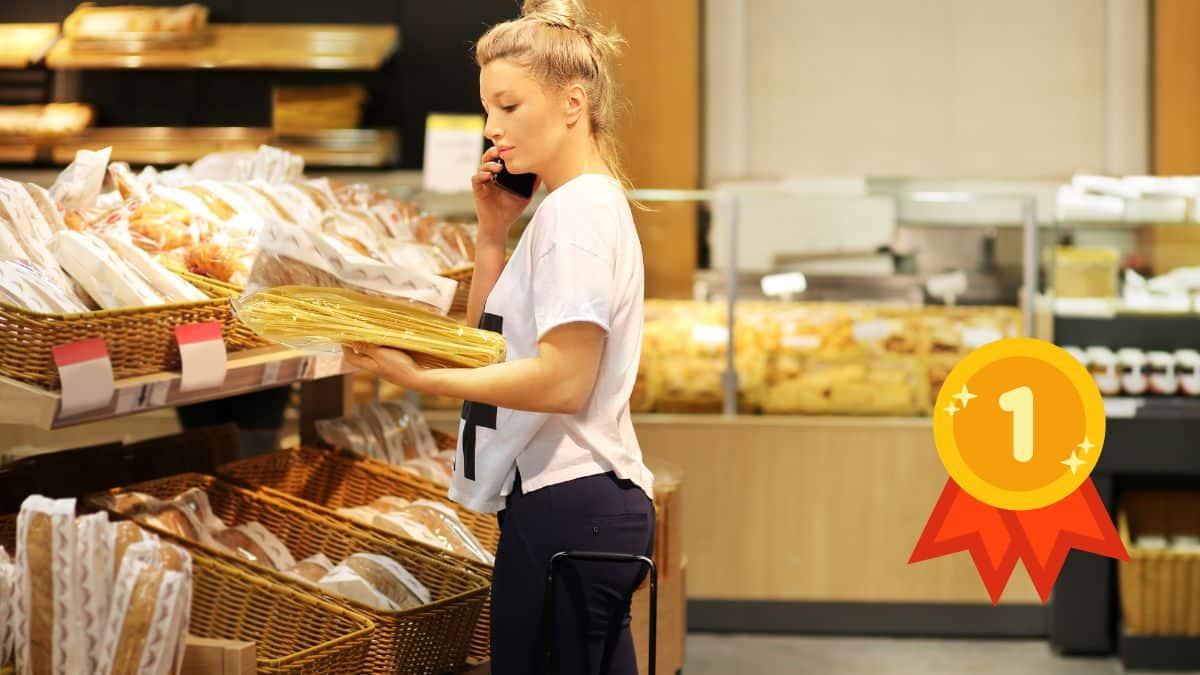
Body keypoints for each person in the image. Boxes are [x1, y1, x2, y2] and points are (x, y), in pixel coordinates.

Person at [341, 1, 654, 672]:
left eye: (509, 107)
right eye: (488, 110)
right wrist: (492, 235)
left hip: (572, 503)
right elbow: (488, 345)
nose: (492, 129)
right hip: (569, 504)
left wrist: (419, 378)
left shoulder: (578, 213)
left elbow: (563, 380)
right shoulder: (565, 208)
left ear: (573, 103)